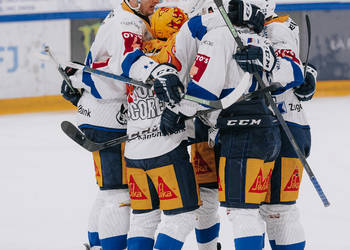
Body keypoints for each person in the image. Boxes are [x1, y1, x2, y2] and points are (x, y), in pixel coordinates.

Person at [60, 0, 186, 249]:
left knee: (111, 191)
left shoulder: (128, 16)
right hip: (108, 116)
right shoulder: (126, 23)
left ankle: (96, 244)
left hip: (99, 112)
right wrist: (159, 72)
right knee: (118, 195)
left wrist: (81, 77)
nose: (157, 1)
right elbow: (127, 66)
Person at [228, 0, 317, 249]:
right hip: (279, 125)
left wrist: (304, 74)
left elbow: (291, 71)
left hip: (273, 125)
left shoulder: (277, 26)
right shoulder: (260, 26)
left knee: (254, 211)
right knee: (277, 212)